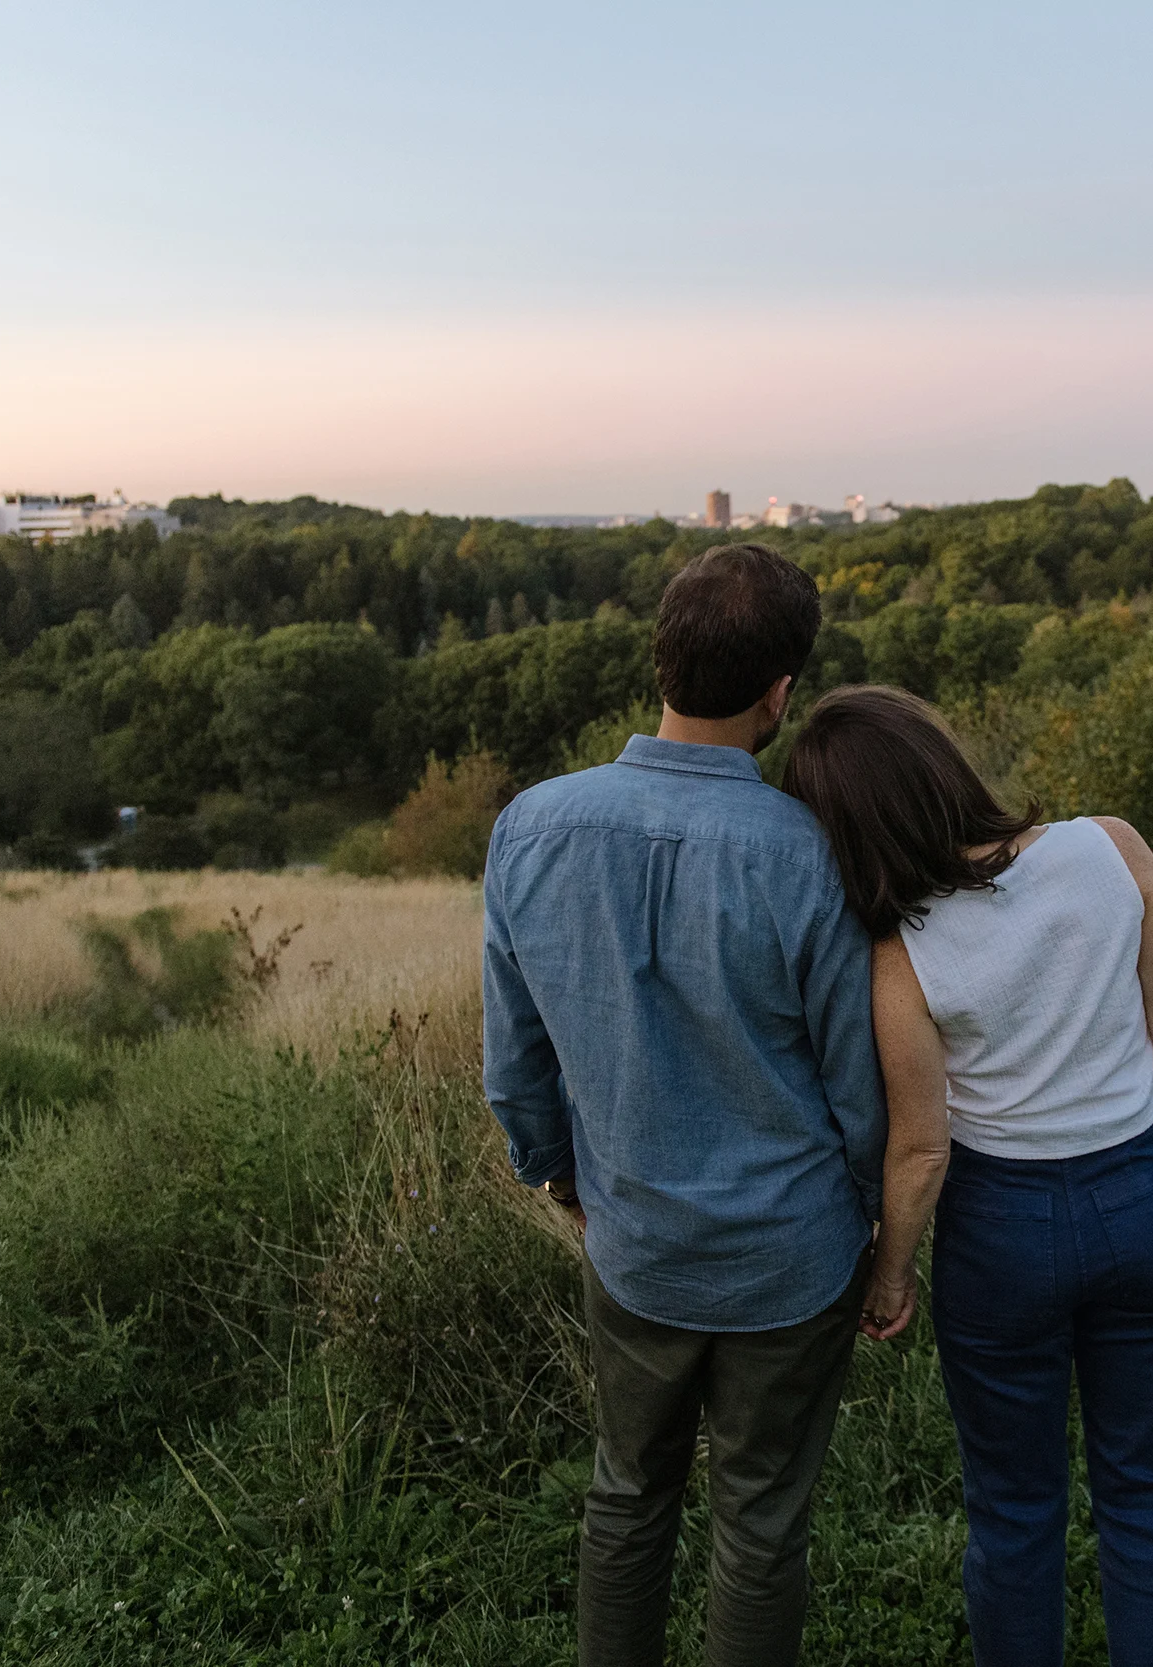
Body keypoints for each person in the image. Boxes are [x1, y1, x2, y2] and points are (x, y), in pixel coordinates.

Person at [482, 545, 887, 1667]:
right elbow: (859, 1086)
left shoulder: (530, 827)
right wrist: (866, 1225)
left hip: (637, 1242)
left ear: (660, 659)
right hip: (791, 1260)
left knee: (626, 1494)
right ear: (781, 692)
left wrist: (557, 1174)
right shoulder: (809, 853)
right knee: (759, 1525)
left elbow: (513, 1062)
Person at [783, 684, 1153, 1667]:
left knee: (1015, 1512)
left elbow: (921, 1145)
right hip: (1140, 1186)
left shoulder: (900, 949)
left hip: (1002, 1229)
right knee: (1148, 1495)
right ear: (943, 760)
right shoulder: (1111, 845)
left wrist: (889, 1274)